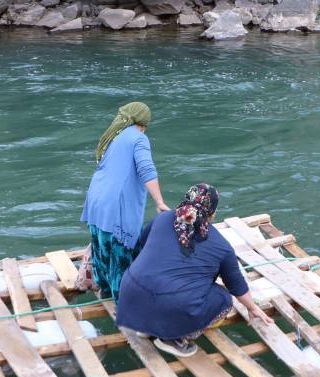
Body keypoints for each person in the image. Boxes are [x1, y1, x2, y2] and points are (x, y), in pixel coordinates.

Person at [115, 183, 272, 358]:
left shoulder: (162, 219)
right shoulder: (222, 247)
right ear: (212, 213)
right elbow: (237, 287)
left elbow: (142, 247)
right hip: (171, 304)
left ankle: (145, 326)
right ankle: (173, 338)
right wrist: (252, 308)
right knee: (224, 299)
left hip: (130, 293)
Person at [81, 102, 169, 298]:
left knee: (102, 244)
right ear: (144, 123)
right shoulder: (139, 139)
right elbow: (146, 169)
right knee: (122, 252)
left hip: (96, 198)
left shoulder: (114, 136)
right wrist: (159, 201)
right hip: (117, 203)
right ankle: (124, 301)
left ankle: (104, 288)